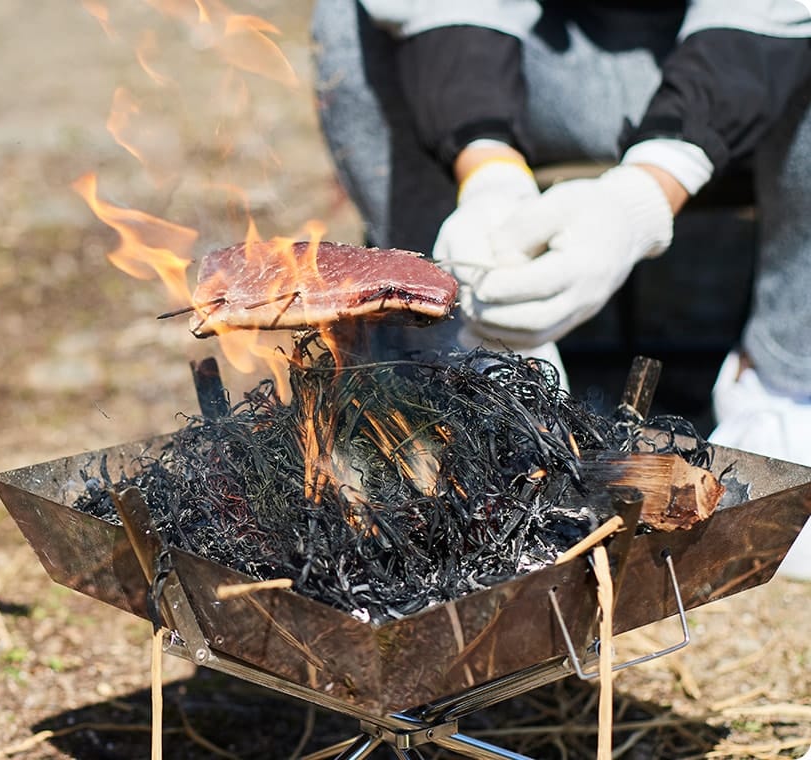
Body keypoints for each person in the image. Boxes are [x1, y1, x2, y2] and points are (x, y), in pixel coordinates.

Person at [312, 0, 811, 578]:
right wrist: (488, 171)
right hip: (540, 64)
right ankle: (464, 367)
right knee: (347, 23)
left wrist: (646, 194)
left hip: (739, 52)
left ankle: (787, 390)